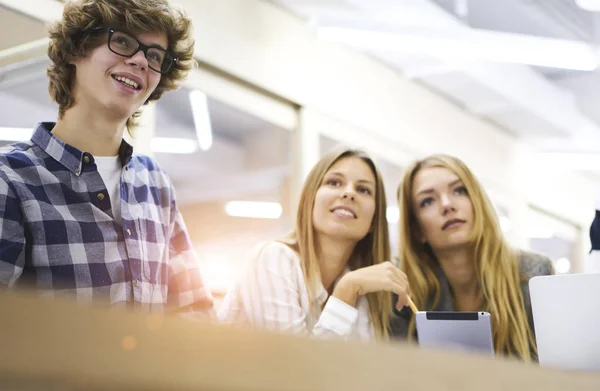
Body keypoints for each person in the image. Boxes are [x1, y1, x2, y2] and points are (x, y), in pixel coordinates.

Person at [0, 0, 213, 315]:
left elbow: (192, 309)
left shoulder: (155, 183)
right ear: (76, 50)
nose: (141, 60)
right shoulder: (11, 180)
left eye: (155, 56)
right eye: (123, 41)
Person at [218, 148, 411, 340]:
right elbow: (297, 366)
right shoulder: (272, 258)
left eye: (363, 189)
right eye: (334, 182)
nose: (349, 193)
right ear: (310, 200)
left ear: (374, 220)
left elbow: (357, 368)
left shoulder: (361, 286)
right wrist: (346, 290)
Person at [390, 154, 553, 360]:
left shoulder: (534, 273)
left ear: (477, 202)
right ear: (416, 229)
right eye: (427, 201)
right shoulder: (404, 289)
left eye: (459, 190)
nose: (447, 205)